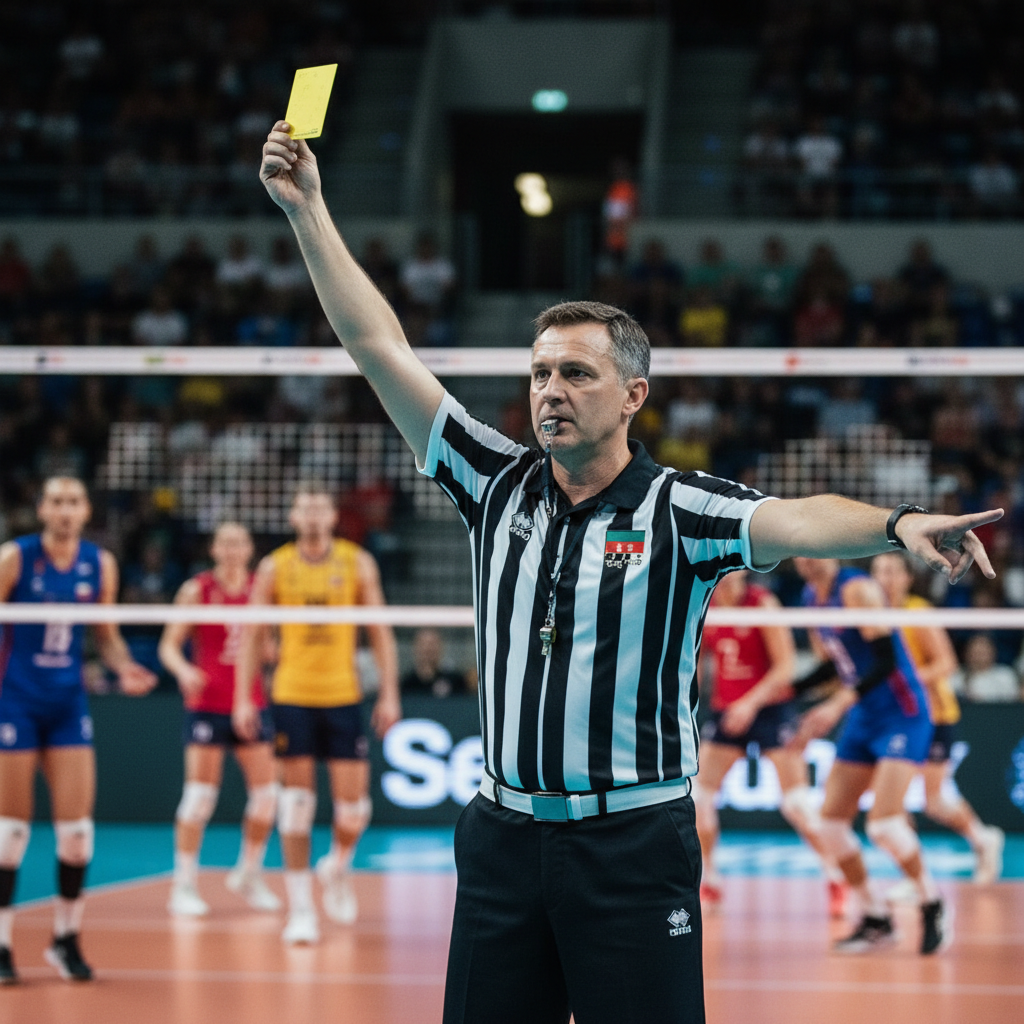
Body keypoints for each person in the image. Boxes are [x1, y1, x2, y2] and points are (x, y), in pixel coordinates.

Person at [258, 118, 1000, 1022]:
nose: (550, 391)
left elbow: (798, 517)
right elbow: (380, 350)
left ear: (633, 395)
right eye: (539, 374)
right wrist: (309, 213)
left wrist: (900, 522)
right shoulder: (493, 482)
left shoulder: (682, 510)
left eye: (576, 373)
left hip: (633, 844)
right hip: (499, 841)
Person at [0, 477, 156, 984]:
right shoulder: (16, 559)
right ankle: (1, 944)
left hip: (67, 703)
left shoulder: (97, 564)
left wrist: (124, 667)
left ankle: (65, 939)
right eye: (57, 501)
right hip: (15, 701)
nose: (65, 511)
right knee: (9, 835)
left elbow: (104, 636)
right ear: (42, 508)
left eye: (74, 502)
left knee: (77, 836)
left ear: (85, 510)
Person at [232, 483, 401, 945]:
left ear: (332, 516)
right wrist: (243, 698)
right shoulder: (275, 567)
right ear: (292, 517)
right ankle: (301, 910)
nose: (310, 515)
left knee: (354, 811)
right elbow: (252, 636)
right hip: (291, 696)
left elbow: (380, 632)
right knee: (297, 806)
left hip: (342, 695)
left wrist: (389, 693)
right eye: (302, 508)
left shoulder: (356, 562)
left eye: (319, 507)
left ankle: (336, 868)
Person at [790, 556, 950, 955]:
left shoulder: (857, 588)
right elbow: (836, 663)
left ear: (831, 550)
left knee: (884, 824)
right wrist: (789, 692)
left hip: (902, 712)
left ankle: (931, 903)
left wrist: (835, 706)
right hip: (865, 715)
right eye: (800, 551)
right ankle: (876, 916)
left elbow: (884, 661)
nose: (806, 559)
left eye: (814, 549)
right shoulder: (812, 596)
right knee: (830, 825)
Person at [696, 570, 848, 916]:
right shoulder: (708, 604)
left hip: (770, 710)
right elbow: (694, 660)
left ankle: (835, 876)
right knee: (699, 799)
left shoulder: (762, 603)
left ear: (744, 570)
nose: (725, 573)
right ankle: (710, 880)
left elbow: (785, 667)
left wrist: (750, 703)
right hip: (728, 712)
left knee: (796, 803)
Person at [158, 522, 281, 918]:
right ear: (214, 548)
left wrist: (273, 653)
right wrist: (184, 671)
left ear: (249, 550)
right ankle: (183, 885)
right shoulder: (198, 590)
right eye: (225, 542)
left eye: (239, 542)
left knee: (267, 798)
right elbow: (168, 646)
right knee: (199, 798)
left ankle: (248, 872)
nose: (232, 549)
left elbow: (272, 646)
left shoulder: (260, 591)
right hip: (208, 704)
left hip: (251, 704)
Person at [870, 551, 1004, 884]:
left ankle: (983, 839)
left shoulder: (918, 613)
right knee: (892, 803)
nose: (884, 579)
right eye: (878, 572)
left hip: (934, 716)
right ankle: (912, 878)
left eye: (891, 571)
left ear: (906, 578)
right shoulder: (869, 615)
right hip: (894, 718)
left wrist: (907, 681)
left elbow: (946, 664)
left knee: (934, 801)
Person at [400, 628, 471, 698]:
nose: (428, 649)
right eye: (423, 644)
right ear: (415, 648)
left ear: (441, 647)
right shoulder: (406, 685)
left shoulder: (455, 681)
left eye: (432, 644)